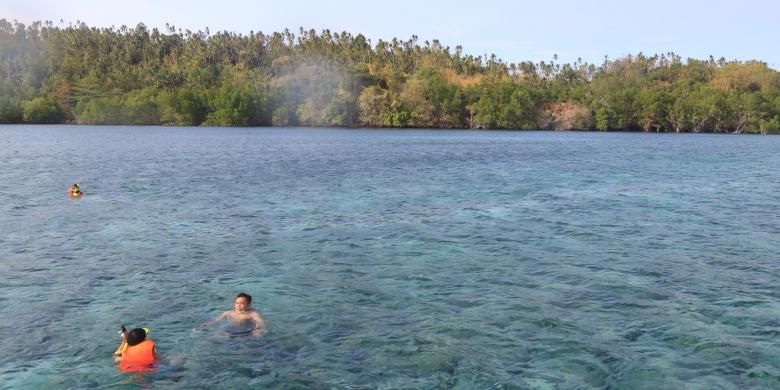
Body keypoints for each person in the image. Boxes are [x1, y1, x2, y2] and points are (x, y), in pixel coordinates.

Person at [200, 292, 266, 336]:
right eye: (237, 303)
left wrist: (260, 329)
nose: (238, 305)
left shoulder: (252, 313)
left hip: (246, 332)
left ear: (248, 305)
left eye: (242, 303)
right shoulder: (229, 313)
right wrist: (205, 325)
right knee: (216, 336)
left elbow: (260, 322)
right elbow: (216, 320)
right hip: (230, 330)